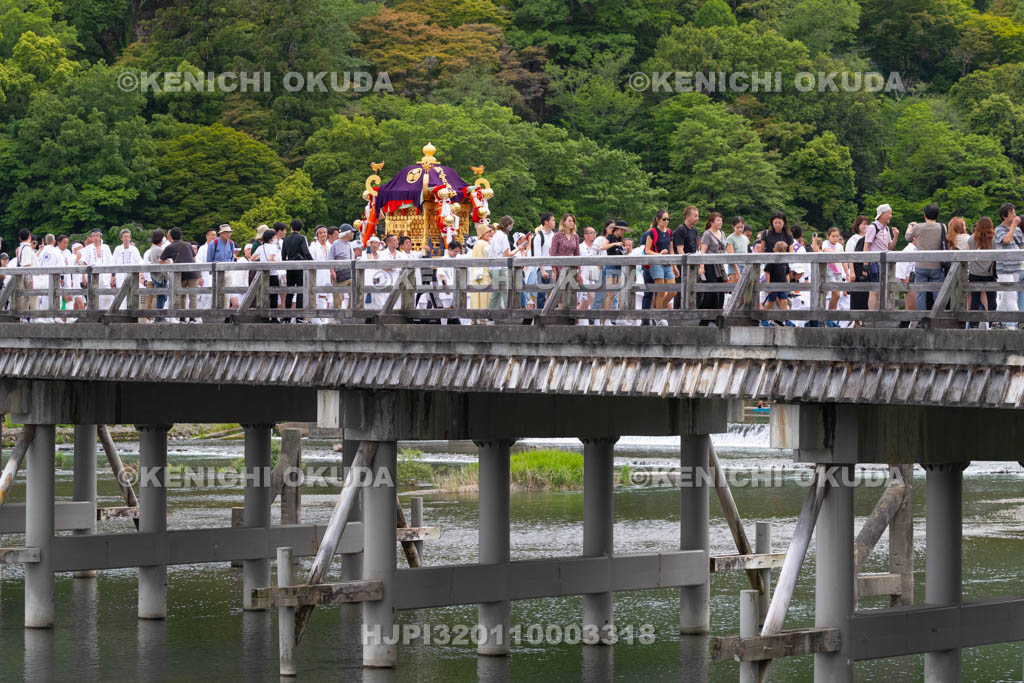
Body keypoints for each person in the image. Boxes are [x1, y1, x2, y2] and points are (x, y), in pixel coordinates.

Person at [905, 204, 946, 311]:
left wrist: (910, 226)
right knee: (937, 292)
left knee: (921, 293)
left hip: (921, 265)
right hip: (937, 264)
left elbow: (907, 237)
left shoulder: (919, 227)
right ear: (937, 215)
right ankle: (938, 316)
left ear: (924, 215)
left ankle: (921, 318)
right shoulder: (942, 227)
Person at [865, 203, 901, 310]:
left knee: (884, 290)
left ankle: (881, 314)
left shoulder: (886, 229)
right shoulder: (873, 227)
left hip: (885, 263)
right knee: (874, 291)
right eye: (889, 213)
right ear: (882, 214)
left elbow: (889, 247)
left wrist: (896, 236)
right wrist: (865, 265)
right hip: (875, 262)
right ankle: (872, 316)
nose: (891, 216)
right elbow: (866, 246)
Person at [159, 227, 199, 321]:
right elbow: (194, 259)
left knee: (182, 296)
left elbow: (160, 260)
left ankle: (182, 318)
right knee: (193, 296)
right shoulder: (188, 245)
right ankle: (192, 318)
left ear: (171, 237)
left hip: (180, 274)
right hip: (193, 273)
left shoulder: (170, 247)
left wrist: (170, 264)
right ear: (181, 235)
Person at [994, 202, 1023, 328]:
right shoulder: (999, 229)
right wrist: (1014, 225)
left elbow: (1021, 246)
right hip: (1004, 268)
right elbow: (1006, 240)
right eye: (1011, 214)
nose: (1014, 216)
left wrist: (1015, 227)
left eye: (1014, 213)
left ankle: (996, 322)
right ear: (1004, 216)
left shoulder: (1017, 230)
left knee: (1006, 296)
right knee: (1012, 296)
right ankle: (1018, 324)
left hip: (1016, 266)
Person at [968, 216, 997, 329]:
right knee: (991, 299)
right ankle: (992, 323)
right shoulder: (994, 239)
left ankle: (974, 324)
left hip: (975, 272)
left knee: (974, 299)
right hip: (989, 273)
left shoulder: (971, 239)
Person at [488, 215, 522, 310]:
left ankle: (491, 313)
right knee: (506, 293)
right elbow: (507, 254)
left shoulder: (495, 235)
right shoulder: (503, 236)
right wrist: (518, 249)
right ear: (508, 225)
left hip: (493, 267)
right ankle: (509, 313)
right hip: (501, 268)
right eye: (512, 225)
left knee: (496, 293)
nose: (512, 227)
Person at [698, 212, 727, 319]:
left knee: (721, 290)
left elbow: (724, 250)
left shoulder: (722, 233)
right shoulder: (707, 234)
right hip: (709, 265)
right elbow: (703, 251)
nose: (720, 222)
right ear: (711, 222)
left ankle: (718, 315)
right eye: (718, 220)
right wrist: (702, 266)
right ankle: (704, 315)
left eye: (721, 220)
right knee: (712, 290)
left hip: (720, 265)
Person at [645, 209, 674, 317]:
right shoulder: (652, 232)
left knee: (673, 291)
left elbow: (671, 250)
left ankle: (658, 310)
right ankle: (659, 316)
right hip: (656, 263)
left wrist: (674, 266)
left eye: (668, 219)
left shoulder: (670, 232)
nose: (666, 221)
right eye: (664, 219)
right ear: (658, 219)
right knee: (660, 291)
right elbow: (647, 250)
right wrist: (659, 254)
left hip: (667, 264)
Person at [281, 218, 312, 313]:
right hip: (300, 267)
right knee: (300, 291)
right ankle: (299, 316)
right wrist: (312, 262)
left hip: (289, 267)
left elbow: (283, 255)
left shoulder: (286, 239)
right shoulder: (302, 238)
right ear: (301, 228)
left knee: (289, 291)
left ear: (291, 228)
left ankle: (287, 316)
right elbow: (306, 252)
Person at [527, 213, 556, 310]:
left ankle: (549, 316)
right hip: (543, 269)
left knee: (553, 295)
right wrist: (542, 270)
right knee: (541, 295)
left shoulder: (555, 235)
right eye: (552, 220)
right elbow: (537, 255)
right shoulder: (539, 236)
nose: (554, 222)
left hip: (554, 269)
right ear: (546, 222)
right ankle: (539, 318)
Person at [762, 241, 794, 326]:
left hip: (782, 285)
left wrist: (788, 285)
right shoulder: (772, 260)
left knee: (784, 302)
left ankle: (787, 320)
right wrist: (768, 286)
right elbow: (767, 273)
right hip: (773, 285)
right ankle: (764, 319)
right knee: (771, 303)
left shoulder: (785, 261)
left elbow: (787, 274)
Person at [81, 228, 113, 309]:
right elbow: (84, 262)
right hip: (92, 274)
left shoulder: (106, 247)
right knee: (93, 295)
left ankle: (105, 312)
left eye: (97, 236)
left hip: (105, 275)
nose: (95, 237)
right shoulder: (88, 248)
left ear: (100, 237)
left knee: (108, 296)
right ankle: (92, 313)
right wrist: (83, 276)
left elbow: (111, 262)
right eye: (94, 236)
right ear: (92, 237)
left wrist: (113, 276)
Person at [254, 229, 281, 319]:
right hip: (272, 274)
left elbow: (252, 258)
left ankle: (264, 317)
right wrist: (277, 260)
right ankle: (274, 317)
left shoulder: (260, 247)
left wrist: (261, 260)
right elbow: (271, 259)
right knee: (274, 297)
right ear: (272, 238)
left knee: (264, 296)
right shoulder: (273, 247)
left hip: (263, 275)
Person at [550, 213, 580, 291]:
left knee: (572, 292)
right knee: (561, 294)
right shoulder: (557, 235)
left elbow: (577, 253)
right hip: (560, 267)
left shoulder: (575, 236)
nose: (572, 223)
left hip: (572, 266)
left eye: (573, 221)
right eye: (569, 221)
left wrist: (579, 269)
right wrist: (554, 269)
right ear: (564, 222)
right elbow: (553, 253)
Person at [328, 224, 356, 310]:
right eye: (352, 232)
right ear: (347, 233)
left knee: (354, 294)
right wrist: (332, 271)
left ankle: (349, 314)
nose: (353, 234)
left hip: (350, 273)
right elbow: (330, 259)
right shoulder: (336, 244)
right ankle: (337, 318)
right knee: (338, 298)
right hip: (339, 273)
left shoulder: (349, 244)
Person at [469, 223, 493, 319]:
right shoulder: (485, 244)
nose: (489, 234)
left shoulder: (476, 244)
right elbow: (490, 256)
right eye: (486, 232)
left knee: (475, 296)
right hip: (485, 272)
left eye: (488, 232)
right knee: (484, 295)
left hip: (476, 272)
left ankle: (474, 318)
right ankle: (483, 318)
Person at [822, 226, 846, 322]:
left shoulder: (840, 246)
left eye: (837, 236)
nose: (835, 238)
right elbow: (826, 250)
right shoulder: (825, 243)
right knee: (835, 294)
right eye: (833, 236)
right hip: (829, 271)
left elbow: (843, 259)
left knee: (837, 296)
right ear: (828, 236)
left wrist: (847, 273)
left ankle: (832, 318)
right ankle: (829, 316)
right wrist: (836, 252)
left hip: (838, 271)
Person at [14, 228, 38, 316]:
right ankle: (32, 316)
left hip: (26, 276)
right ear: (29, 237)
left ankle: (25, 316)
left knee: (27, 297)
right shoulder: (27, 248)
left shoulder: (21, 247)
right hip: (29, 277)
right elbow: (26, 264)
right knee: (31, 297)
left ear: (20, 238)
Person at [143, 229, 167, 319]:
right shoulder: (158, 250)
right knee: (159, 297)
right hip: (159, 277)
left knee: (150, 298)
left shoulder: (149, 251)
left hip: (150, 277)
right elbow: (161, 262)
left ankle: (150, 318)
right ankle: (157, 317)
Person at [577, 226, 600, 319]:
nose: (594, 235)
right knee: (590, 300)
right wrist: (578, 274)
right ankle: (593, 321)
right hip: (583, 277)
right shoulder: (580, 247)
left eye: (595, 233)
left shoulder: (597, 247)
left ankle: (576, 319)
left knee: (585, 304)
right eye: (592, 233)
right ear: (585, 235)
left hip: (594, 276)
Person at [725, 216, 749, 282]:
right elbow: (732, 257)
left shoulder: (745, 238)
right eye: (737, 227)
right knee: (735, 288)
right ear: (733, 227)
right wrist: (737, 272)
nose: (740, 229)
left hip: (744, 264)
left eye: (741, 227)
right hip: (734, 266)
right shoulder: (730, 238)